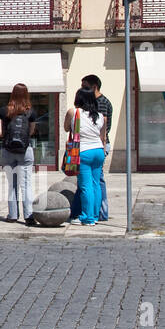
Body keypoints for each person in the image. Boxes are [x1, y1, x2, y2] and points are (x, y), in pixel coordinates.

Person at [0, 83, 36, 225]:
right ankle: (29, 215)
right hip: (25, 151)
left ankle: (12, 215)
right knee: (26, 184)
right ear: (26, 95)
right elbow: (31, 132)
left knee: (12, 184)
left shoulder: (3, 111)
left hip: (8, 150)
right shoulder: (30, 112)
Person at [66, 87, 107, 225]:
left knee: (85, 186)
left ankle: (87, 217)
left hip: (83, 152)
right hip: (98, 151)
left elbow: (66, 128)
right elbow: (102, 136)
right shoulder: (100, 116)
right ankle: (95, 215)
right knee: (96, 184)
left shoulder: (74, 112)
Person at [82, 75, 114, 221]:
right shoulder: (99, 101)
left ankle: (99, 212)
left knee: (96, 180)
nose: (82, 89)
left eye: (85, 86)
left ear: (94, 87)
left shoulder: (99, 103)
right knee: (96, 180)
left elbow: (102, 127)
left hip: (97, 144)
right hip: (98, 145)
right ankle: (98, 212)